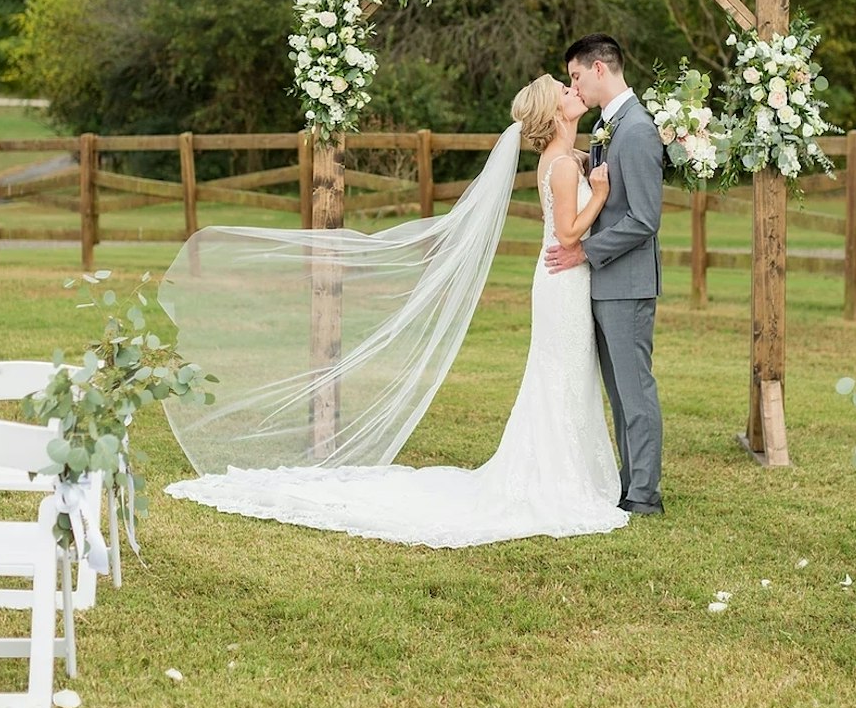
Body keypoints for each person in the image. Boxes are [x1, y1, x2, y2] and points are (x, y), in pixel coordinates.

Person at [163, 74, 630, 546]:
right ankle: (558, 479)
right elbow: (569, 234)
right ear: (553, 114)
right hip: (563, 278)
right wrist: (603, 194)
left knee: (559, 375)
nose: (575, 91)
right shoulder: (566, 167)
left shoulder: (563, 159)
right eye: (565, 91)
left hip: (558, 281)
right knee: (560, 375)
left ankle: (558, 471)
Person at [545, 34, 664, 516]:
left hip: (627, 283)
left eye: (575, 76)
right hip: (605, 284)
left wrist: (585, 253)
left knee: (634, 392)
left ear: (599, 68)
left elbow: (643, 217)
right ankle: (627, 482)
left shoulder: (635, 129)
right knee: (617, 394)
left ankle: (644, 495)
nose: (573, 85)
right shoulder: (607, 127)